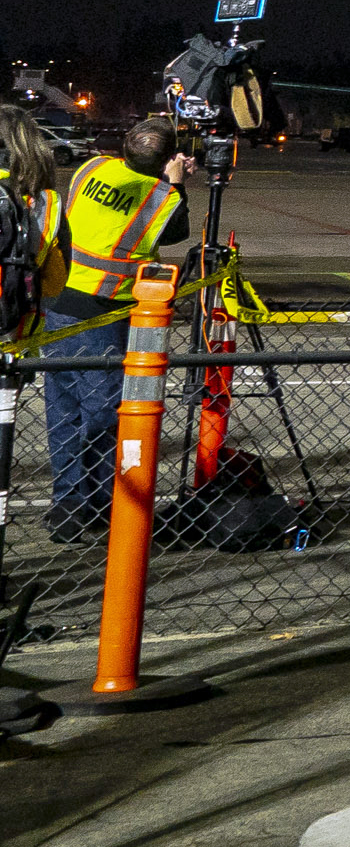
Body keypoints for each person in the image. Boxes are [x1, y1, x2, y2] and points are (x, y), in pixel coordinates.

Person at [31, 118, 193, 535]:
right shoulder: (162, 198)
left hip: (57, 301)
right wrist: (175, 183)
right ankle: (103, 507)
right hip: (102, 314)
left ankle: (67, 506)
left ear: (124, 145)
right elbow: (178, 229)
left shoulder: (92, 169)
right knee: (105, 416)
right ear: (168, 156)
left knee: (63, 411)